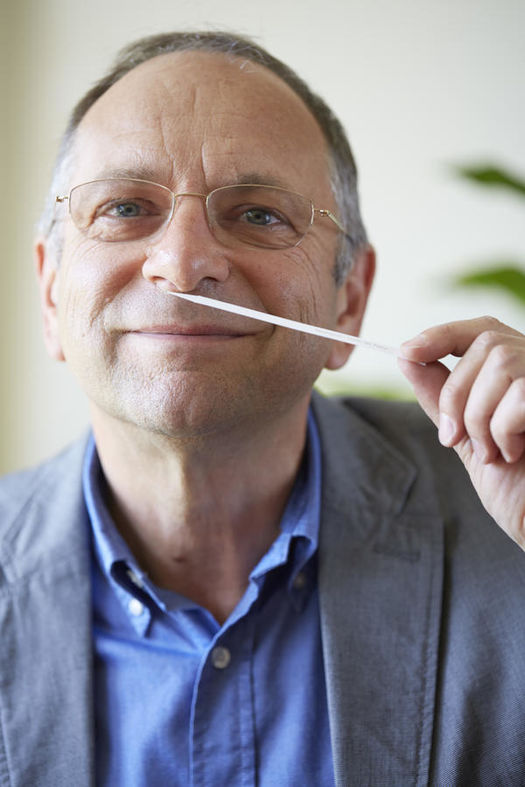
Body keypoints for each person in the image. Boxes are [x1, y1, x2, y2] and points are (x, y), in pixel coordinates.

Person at [1, 30, 524, 787]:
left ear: (349, 302)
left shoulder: (502, 521)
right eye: (123, 206)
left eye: (257, 215)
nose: (182, 263)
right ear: (52, 294)